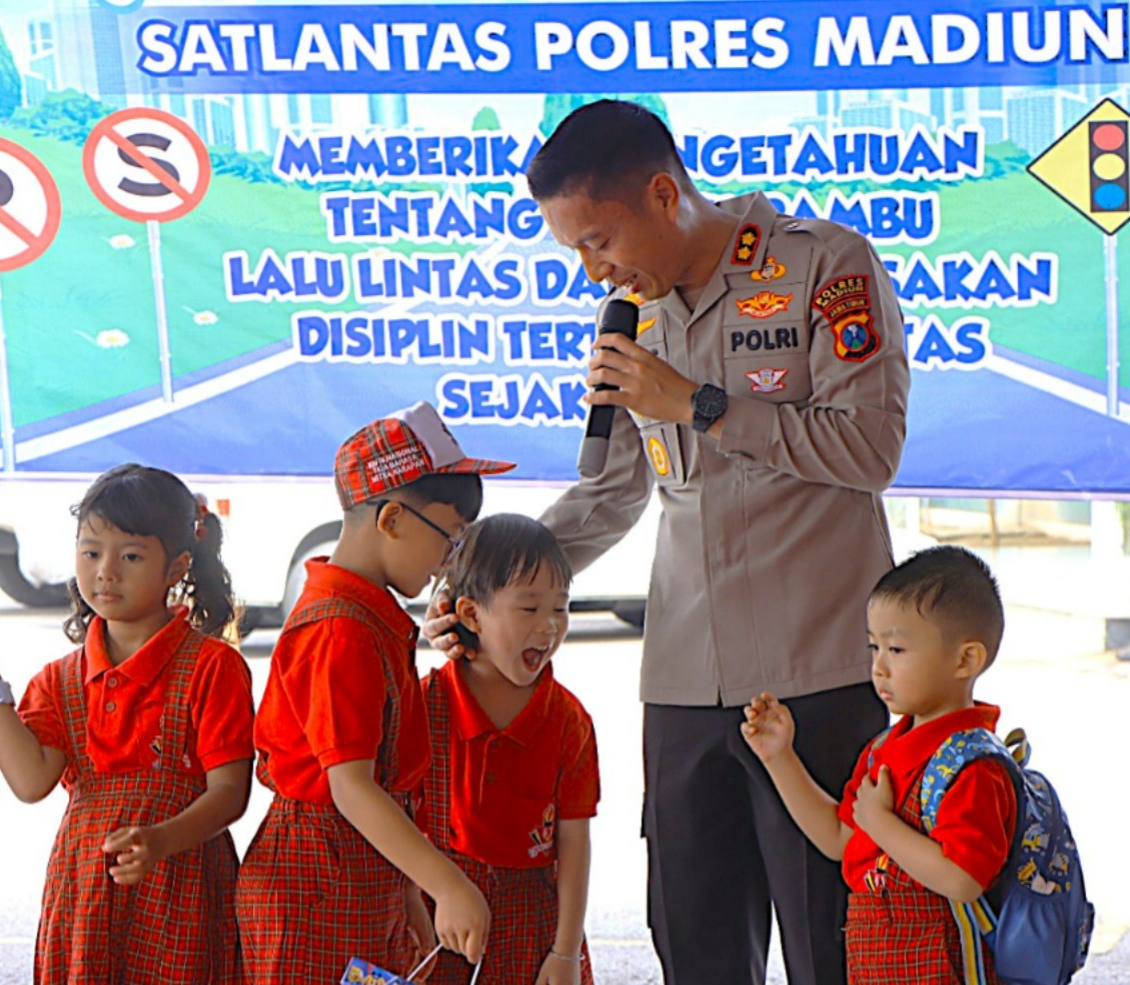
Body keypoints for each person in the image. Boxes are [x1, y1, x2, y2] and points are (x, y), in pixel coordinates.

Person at [429, 98, 908, 984]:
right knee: (691, 938)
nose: (590, 271)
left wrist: (700, 404)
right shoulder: (632, 313)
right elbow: (613, 492)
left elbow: (869, 449)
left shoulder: (819, 266)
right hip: (684, 680)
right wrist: (481, 584)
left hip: (818, 671)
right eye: (573, 251)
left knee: (831, 936)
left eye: (598, 242)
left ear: (662, 193)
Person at [0, 464, 254, 984]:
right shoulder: (59, 680)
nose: (106, 571)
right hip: (84, 894)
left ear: (177, 568)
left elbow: (231, 792)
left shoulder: (213, 667)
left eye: (130, 556)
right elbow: (32, 782)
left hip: (183, 888)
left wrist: (161, 841)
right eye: (91, 551)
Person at [236, 402, 508, 983]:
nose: (449, 562)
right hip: (314, 882)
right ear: (391, 520)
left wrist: (409, 896)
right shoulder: (341, 629)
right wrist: (447, 885)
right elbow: (352, 788)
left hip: (355, 867)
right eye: (450, 539)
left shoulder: (369, 614)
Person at [742, 546, 1016, 984]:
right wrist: (780, 758)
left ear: (966, 659)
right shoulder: (885, 748)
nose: (879, 667)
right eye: (874, 647)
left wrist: (880, 822)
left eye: (897, 649)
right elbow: (838, 838)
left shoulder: (973, 767)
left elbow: (963, 878)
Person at [421, 514, 599, 985]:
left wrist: (564, 953)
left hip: (533, 932)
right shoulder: (423, 706)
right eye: (529, 609)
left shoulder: (568, 721)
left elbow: (574, 843)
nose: (549, 628)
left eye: (560, 608)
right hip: (437, 920)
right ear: (472, 613)